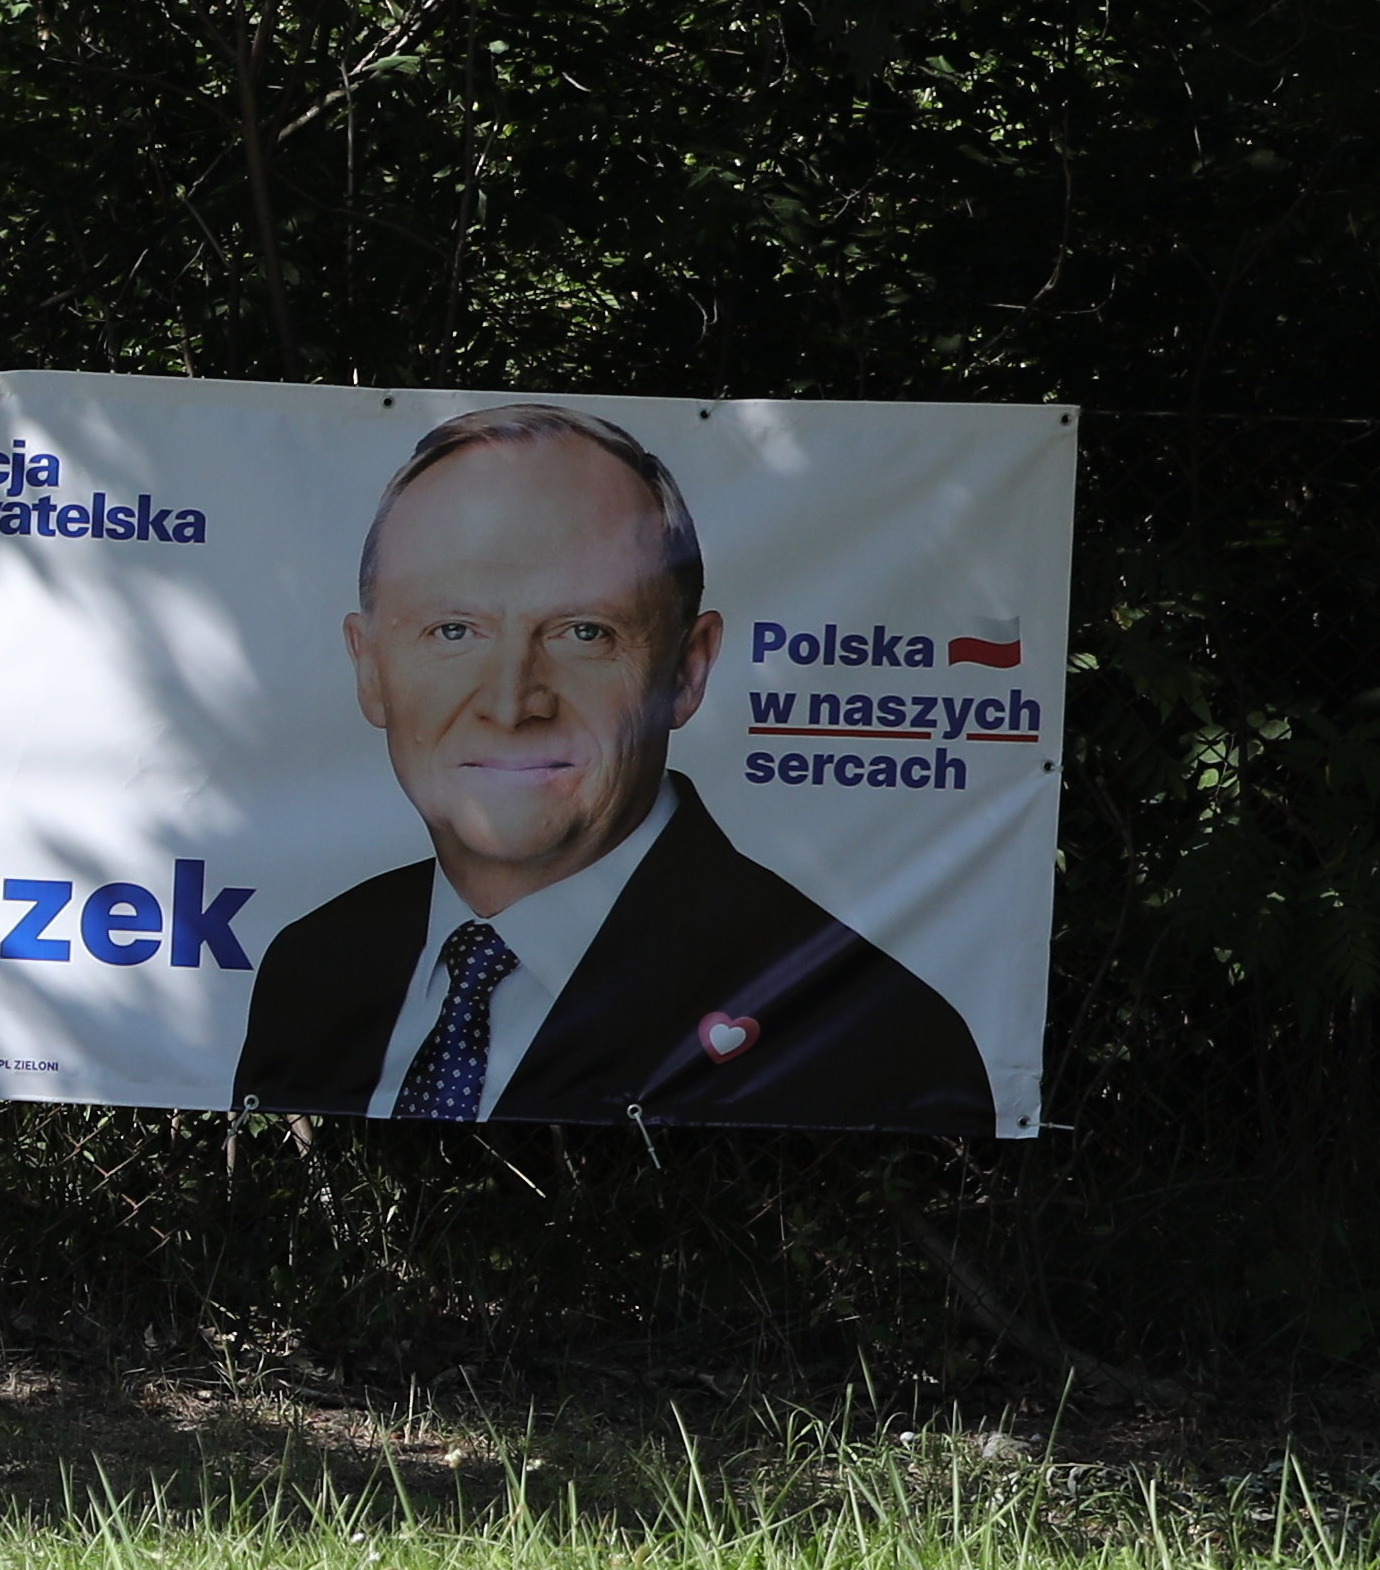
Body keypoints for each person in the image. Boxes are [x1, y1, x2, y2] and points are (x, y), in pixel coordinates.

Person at [229, 401, 997, 1133]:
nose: (512, 702)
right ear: (369, 671)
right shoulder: (313, 965)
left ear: (688, 672)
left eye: (585, 631)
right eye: (453, 628)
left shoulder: (864, 1026)